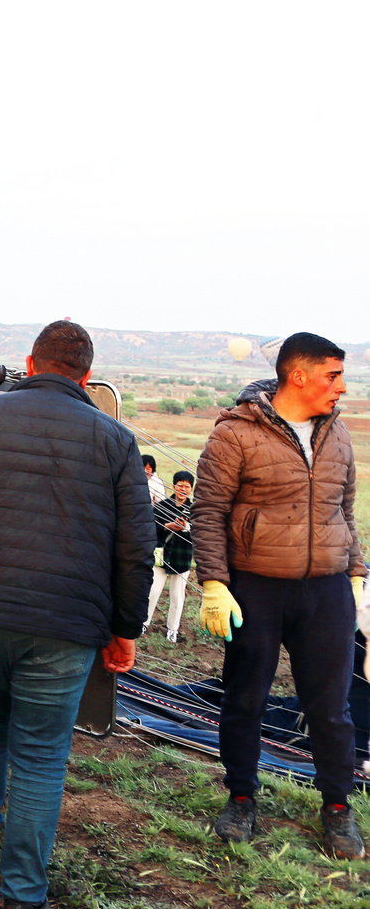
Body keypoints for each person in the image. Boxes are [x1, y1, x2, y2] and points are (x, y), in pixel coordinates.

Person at [0, 320, 154, 909]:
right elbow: (134, 549)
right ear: (87, 377)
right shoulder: (115, 440)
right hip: (67, 622)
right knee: (41, 755)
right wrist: (125, 628)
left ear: (29, 363)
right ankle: (23, 897)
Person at [191, 332, 366, 857]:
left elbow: (345, 512)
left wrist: (354, 572)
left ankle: (338, 807)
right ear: (300, 375)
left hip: (326, 591)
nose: (342, 387)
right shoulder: (236, 434)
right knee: (245, 700)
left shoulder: (339, 435)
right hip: (257, 588)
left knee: (332, 707)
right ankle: (241, 797)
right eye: (333, 376)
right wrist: (215, 584)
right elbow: (208, 513)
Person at [145, 471, 195, 641]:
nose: (183, 489)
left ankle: (172, 629)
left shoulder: (195, 510)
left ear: (191, 489)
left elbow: (201, 535)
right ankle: (144, 623)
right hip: (161, 558)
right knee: (152, 592)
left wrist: (186, 528)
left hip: (182, 559)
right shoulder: (162, 506)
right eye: (180, 485)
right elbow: (150, 528)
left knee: (177, 597)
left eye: (187, 486)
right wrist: (168, 526)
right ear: (173, 486)